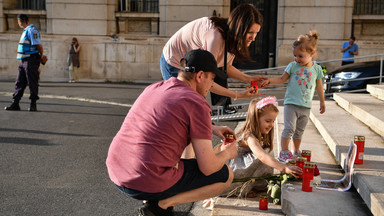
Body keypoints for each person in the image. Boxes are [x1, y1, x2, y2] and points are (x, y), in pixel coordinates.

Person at [106, 49, 238, 216]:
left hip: (118, 172)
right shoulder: (196, 103)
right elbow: (208, 168)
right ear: (200, 76)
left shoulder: (155, 87)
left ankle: (154, 201)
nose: (211, 85)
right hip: (144, 179)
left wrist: (211, 128)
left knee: (174, 151)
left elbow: (166, 121)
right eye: (211, 79)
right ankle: (161, 206)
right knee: (225, 175)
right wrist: (227, 153)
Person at [160, 4, 267, 113]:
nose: (253, 38)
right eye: (250, 33)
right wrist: (237, 95)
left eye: (256, 33)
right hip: (174, 62)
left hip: (193, 65)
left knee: (194, 108)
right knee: (185, 107)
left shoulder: (234, 37)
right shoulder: (215, 37)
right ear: (239, 28)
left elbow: (227, 67)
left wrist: (249, 79)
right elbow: (205, 80)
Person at [203, 97, 302, 209]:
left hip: (242, 167)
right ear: (255, 119)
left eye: (273, 121)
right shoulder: (249, 136)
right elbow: (261, 156)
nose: (271, 125)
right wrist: (284, 168)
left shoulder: (259, 134)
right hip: (234, 169)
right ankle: (240, 188)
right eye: (268, 121)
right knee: (263, 155)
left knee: (267, 152)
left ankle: (251, 186)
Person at [260, 30, 326, 162]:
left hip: (306, 106)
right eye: (295, 55)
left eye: (300, 56)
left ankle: (296, 151)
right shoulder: (292, 66)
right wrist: (269, 80)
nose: (297, 59)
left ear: (311, 53)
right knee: (289, 128)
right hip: (291, 103)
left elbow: (319, 86)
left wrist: (322, 102)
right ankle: (284, 152)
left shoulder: (317, 69)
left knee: (299, 130)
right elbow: (282, 79)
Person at [5, 14, 47, 112]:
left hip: (30, 60)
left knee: (32, 82)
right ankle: (15, 103)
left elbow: (38, 45)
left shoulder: (32, 30)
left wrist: (41, 56)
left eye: (18, 21)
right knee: (19, 82)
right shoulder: (26, 30)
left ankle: (33, 105)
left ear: (20, 21)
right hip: (23, 60)